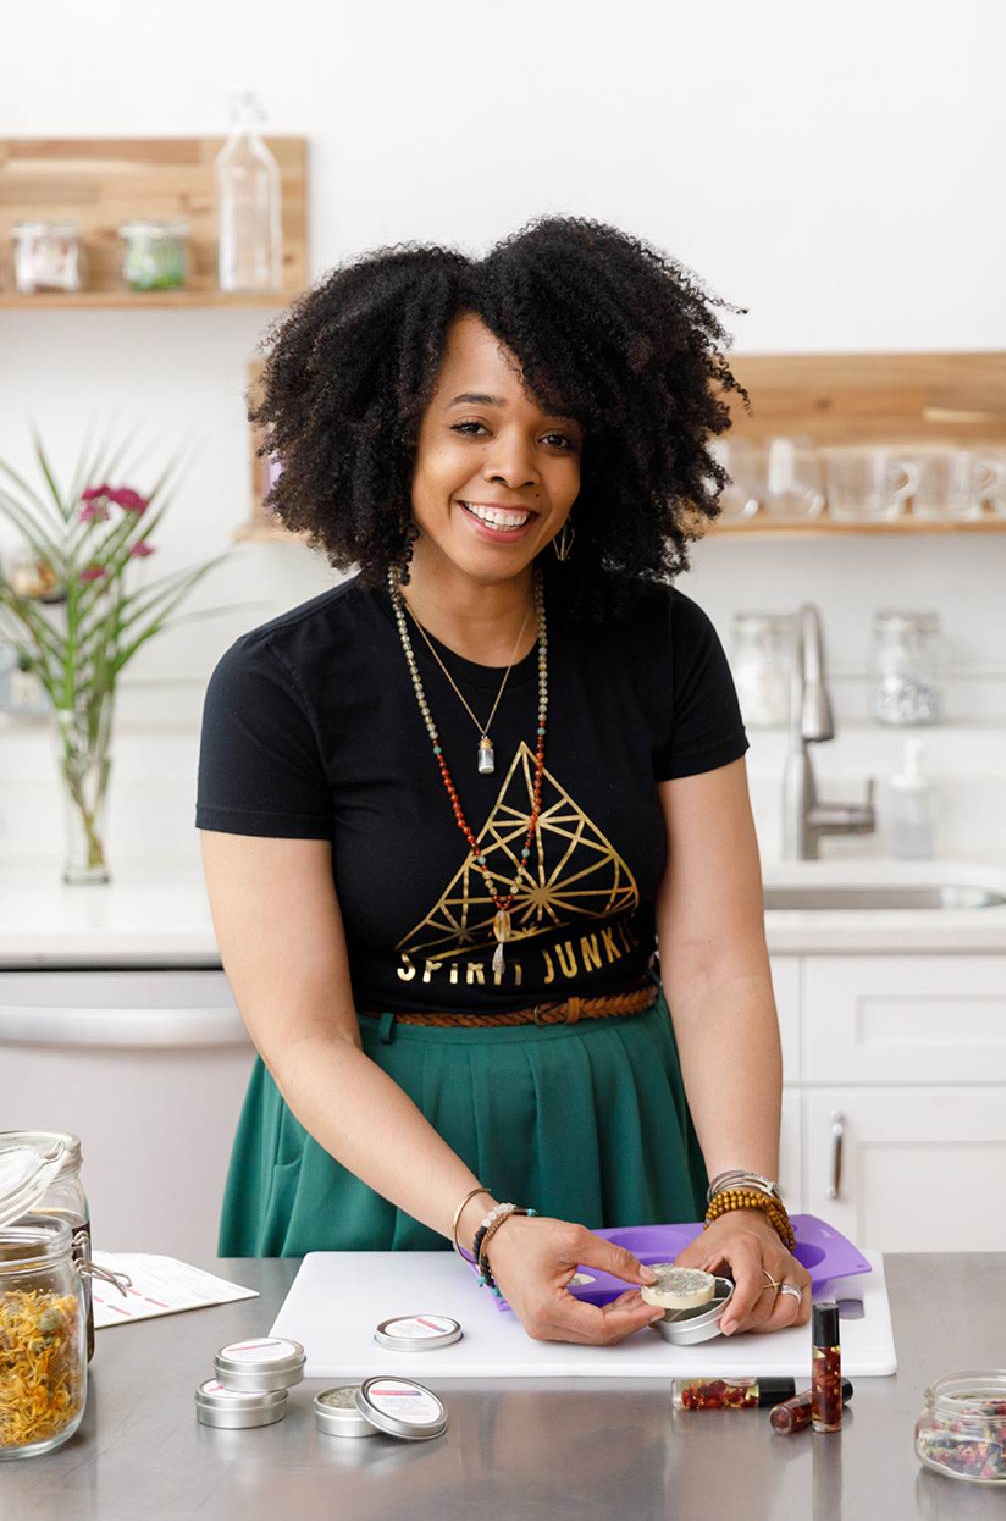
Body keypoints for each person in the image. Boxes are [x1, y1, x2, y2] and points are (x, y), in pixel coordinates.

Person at [198, 217, 812, 1344]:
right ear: (391, 441)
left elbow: (719, 961)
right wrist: (483, 1223)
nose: (515, 469)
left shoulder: (663, 647)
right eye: (470, 425)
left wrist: (742, 1194)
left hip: (622, 1125)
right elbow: (305, 1036)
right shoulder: (276, 685)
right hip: (387, 1170)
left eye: (558, 436)